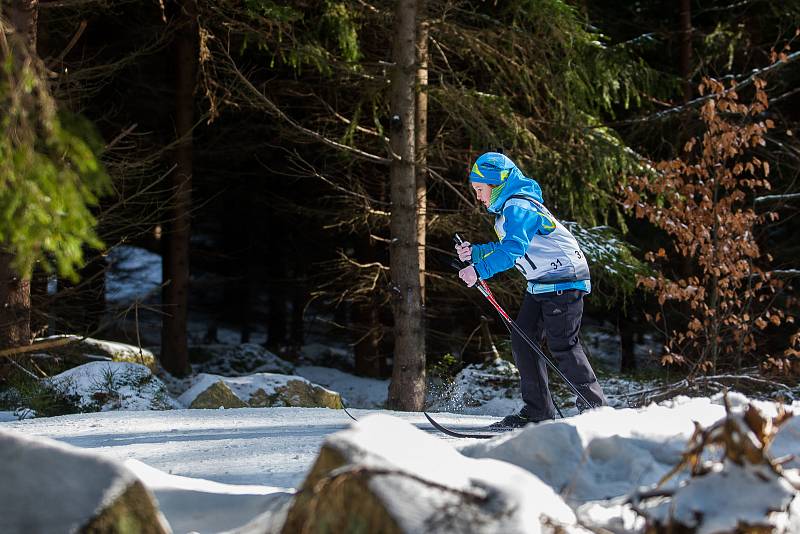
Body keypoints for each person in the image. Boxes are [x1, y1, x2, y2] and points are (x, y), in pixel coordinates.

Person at [455, 152, 607, 428]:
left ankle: (595, 409)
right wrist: (475, 253)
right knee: (523, 339)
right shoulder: (509, 212)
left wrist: (479, 271)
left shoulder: (519, 207)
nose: (478, 197)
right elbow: (507, 247)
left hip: (564, 278)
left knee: (562, 343)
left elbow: (513, 250)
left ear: (497, 183)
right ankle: (538, 412)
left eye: (480, 189)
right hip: (541, 283)